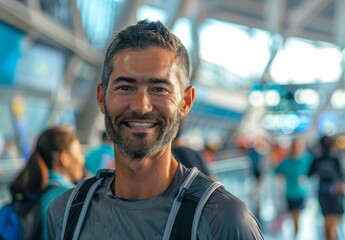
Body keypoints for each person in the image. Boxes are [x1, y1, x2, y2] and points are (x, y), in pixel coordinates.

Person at [47, 20, 263, 239]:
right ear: (101, 98)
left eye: (159, 89)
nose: (141, 106)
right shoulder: (67, 212)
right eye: (125, 87)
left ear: (186, 102)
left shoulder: (221, 220)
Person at [10, 126, 85, 240]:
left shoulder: (32, 190)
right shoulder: (71, 196)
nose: (82, 158)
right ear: (64, 158)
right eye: (79, 152)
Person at [308, 135, 345, 240]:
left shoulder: (318, 159)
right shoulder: (335, 158)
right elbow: (342, 176)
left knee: (328, 223)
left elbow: (309, 173)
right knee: (333, 224)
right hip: (335, 194)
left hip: (323, 193)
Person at [273, 137, 313, 238]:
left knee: (296, 216)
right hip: (290, 193)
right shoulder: (286, 161)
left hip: (301, 193)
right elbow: (276, 170)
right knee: (294, 216)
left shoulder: (307, 158)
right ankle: (296, 232)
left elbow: (313, 170)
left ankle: (296, 234)